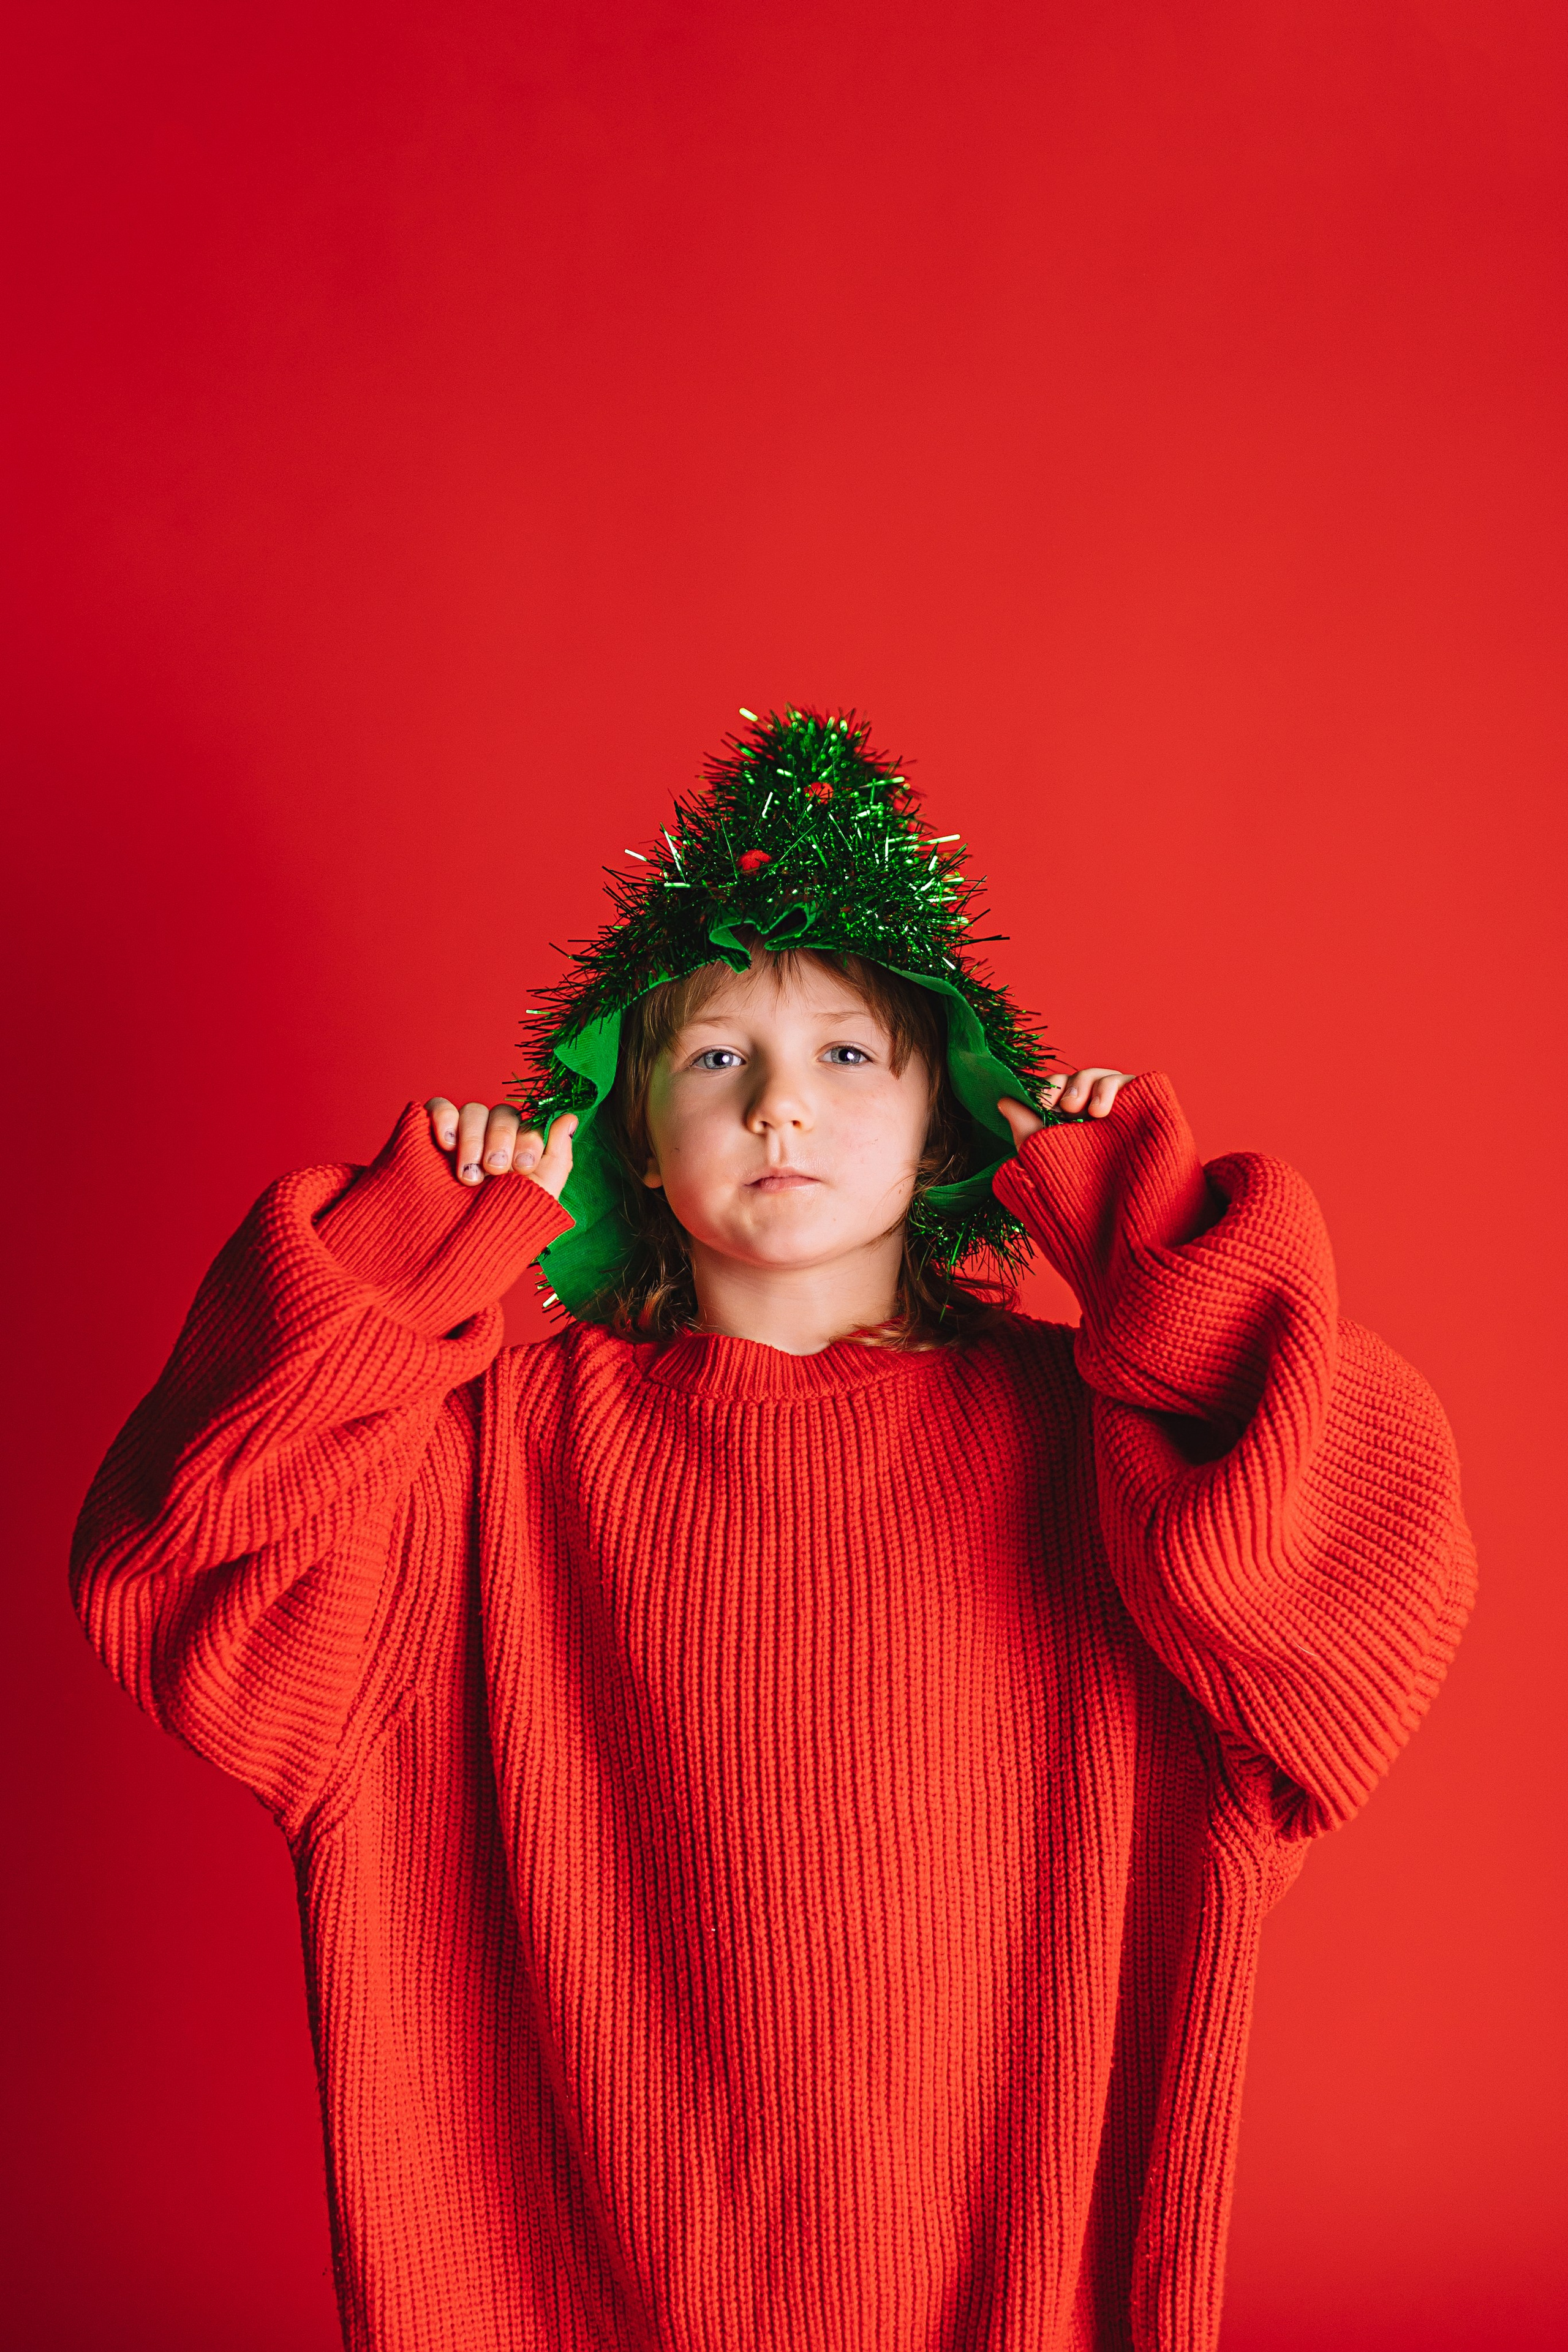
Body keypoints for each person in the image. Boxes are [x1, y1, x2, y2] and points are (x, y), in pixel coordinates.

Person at [72, 709, 1474, 2352]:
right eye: (718, 1057)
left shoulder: (1107, 1441)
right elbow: (183, 1559)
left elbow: (1366, 1600)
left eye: (848, 1055)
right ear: (636, 1134)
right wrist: (400, 1262)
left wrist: (1158, 1257)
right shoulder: (483, 1461)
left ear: (948, 1116)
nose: (782, 1109)